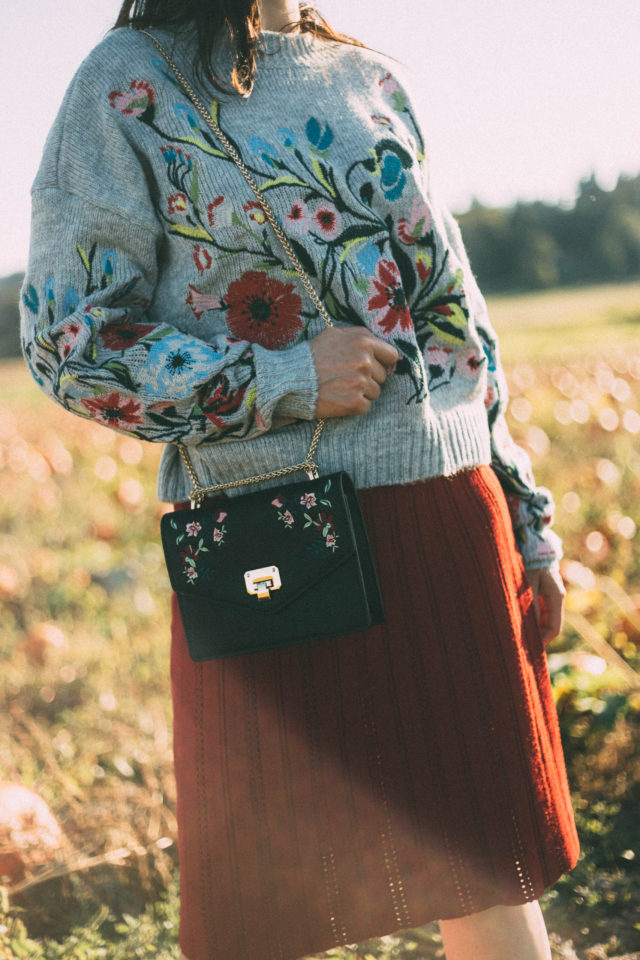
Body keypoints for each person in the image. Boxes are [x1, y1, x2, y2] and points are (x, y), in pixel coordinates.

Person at [19, 1, 580, 958]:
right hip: (271, 548)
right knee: (263, 918)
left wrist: (524, 516)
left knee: (490, 877)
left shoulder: (363, 78)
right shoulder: (124, 85)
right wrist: (278, 378)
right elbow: (67, 341)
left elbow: (454, 327)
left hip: (446, 522)